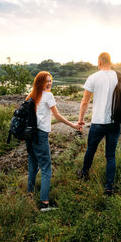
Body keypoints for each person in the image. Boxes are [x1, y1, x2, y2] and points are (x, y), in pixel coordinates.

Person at [26, 71, 81, 211]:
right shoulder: (48, 96)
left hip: (30, 135)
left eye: (50, 80)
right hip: (40, 135)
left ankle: (30, 195)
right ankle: (45, 203)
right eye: (46, 81)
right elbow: (57, 115)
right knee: (46, 168)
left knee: (33, 164)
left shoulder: (31, 96)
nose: (50, 83)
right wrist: (74, 125)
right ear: (40, 83)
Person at [78, 52, 121, 196]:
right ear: (110, 61)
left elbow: (85, 101)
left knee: (90, 150)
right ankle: (109, 188)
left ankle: (84, 174)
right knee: (111, 156)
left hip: (98, 122)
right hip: (114, 122)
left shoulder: (93, 77)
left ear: (100, 62)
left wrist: (81, 119)